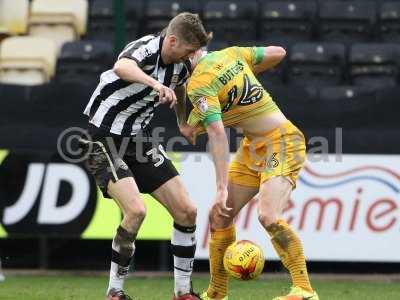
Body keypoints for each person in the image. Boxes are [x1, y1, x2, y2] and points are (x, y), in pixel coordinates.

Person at [80, 13, 211, 300]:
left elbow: (179, 84)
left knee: (187, 211)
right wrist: (155, 85)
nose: (191, 56)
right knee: (136, 211)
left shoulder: (182, 64)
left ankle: (183, 292)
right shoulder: (147, 48)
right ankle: (114, 292)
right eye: (189, 50)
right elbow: (122, 66)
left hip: (139, 140)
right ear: (173, 40)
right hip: (102, 139)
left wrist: (182, 122)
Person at [180, 47, 319, 300]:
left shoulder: (199, 84)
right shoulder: (233, 54)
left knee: (268, 216)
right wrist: (245, 72)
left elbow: (201, 133)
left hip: (282, 141)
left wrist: (221, 188)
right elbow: (279, 52)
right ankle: (216, 294)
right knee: (220, 217)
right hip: (253, 147)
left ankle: (305, 290)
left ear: (188, 56)